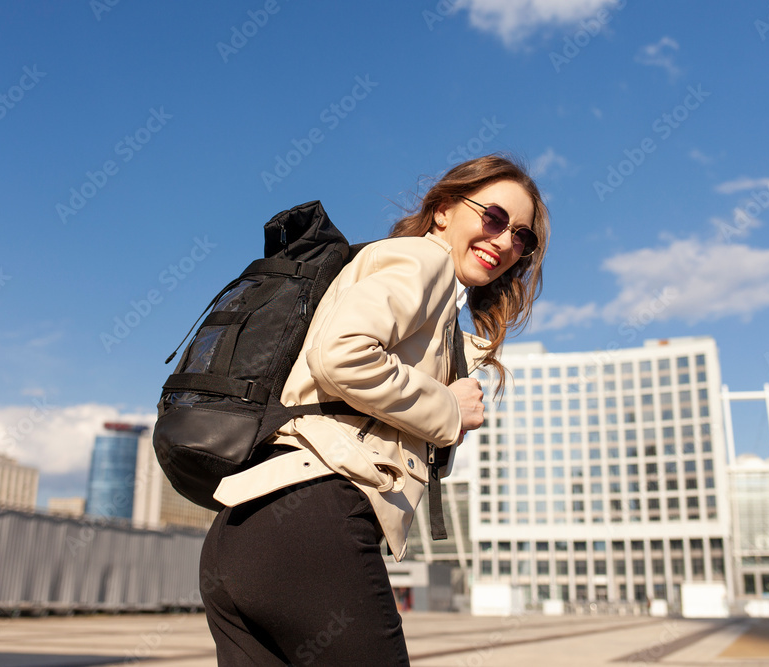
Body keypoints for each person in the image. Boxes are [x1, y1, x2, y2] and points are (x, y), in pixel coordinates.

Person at [199, 154, 550, 665]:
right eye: (493, 218)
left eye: (522, 236)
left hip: (242, 536)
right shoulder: (423, 261)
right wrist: (447, 407)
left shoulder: (431, 304)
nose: (505, 242)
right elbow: (341, 355)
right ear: (444, 211)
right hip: (314, 522)